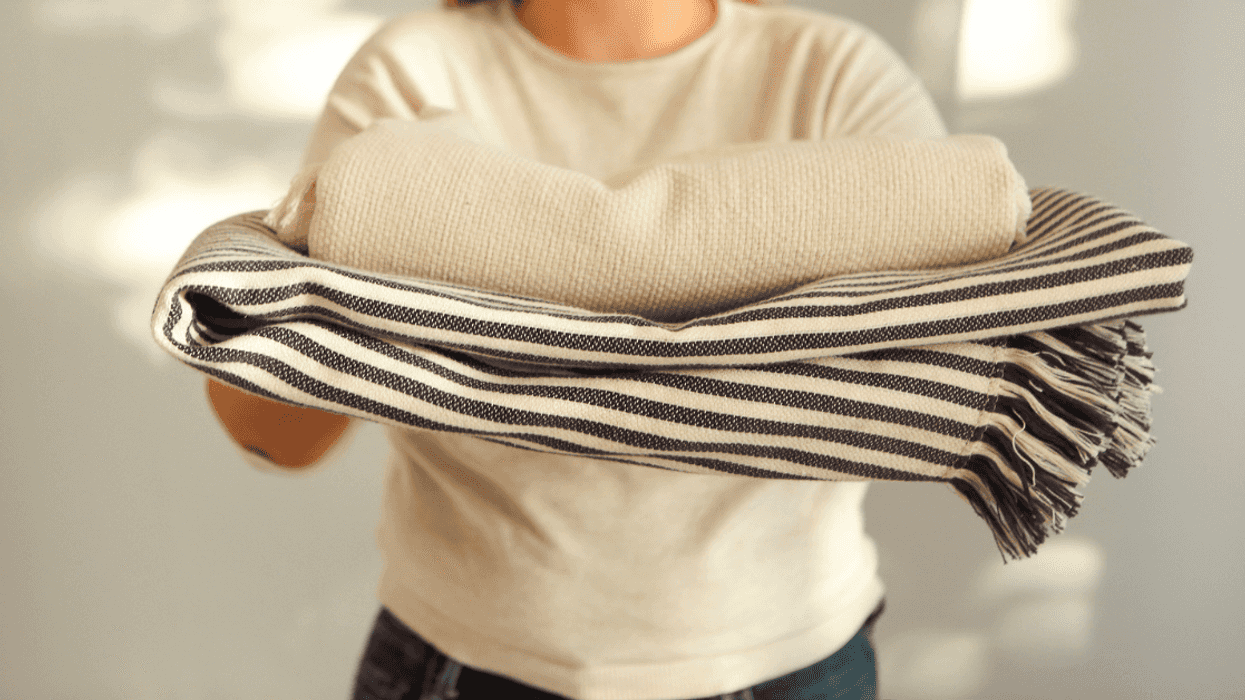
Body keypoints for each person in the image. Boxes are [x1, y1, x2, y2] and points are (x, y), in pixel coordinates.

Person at [206, 0, 950, 696]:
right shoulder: (413, 70)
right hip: (465, 657)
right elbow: (275, 430)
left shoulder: (835, 78)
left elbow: (937, 386)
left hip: (793, 657)